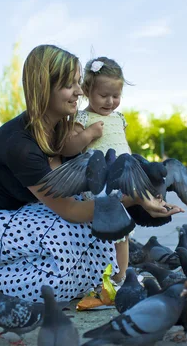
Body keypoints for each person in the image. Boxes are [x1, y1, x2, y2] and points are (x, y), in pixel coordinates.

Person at [0, 45, 183, 303]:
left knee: (98, 235)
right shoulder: (19, 144)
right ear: (44, 87)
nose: (80, 91)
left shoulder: (63, 131)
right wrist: (134, 199)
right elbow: (70, 210)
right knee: (63, 256)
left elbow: (84, 196)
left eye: (78, 82)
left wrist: (142, 193)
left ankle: (17, 270)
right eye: (70, 85)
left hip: (18, 215)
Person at [59, 56, 132, 283]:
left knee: (123, 232)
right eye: (104, 95)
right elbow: (69, 147)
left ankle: (122, 275)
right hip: (98, 185)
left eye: (116, 96)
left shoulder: (119, 118)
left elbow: (123, 146)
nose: (110, 101)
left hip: (122, 181)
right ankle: (100, 272)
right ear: (88, 90)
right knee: (102, 230)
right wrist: (88, 134)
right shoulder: (83, 117)